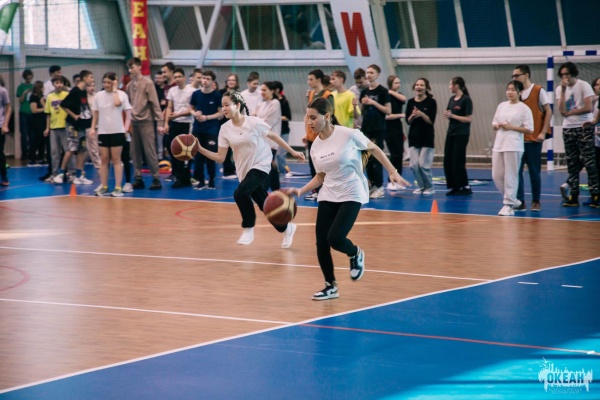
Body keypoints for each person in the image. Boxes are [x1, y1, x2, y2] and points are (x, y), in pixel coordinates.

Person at [285, 98, 410, 300]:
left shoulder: (348, 134)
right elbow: (321, 176)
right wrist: (300, 191)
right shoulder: (315, 146)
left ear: (327, 116)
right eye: (308, 117)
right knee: (321, 243)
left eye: (313, 117)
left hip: (352, 192)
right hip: (329, 193)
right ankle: (330, 286)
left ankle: (355, 253)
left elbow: (374, 148)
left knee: (335, 238)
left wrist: (392, 171)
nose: (309, 122)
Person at [196, 90, 305, 247]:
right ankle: (287, 228)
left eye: (227, 105)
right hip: (244, 171)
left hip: (261, 164)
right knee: (265, 205)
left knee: (239, 193)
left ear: (237, 105)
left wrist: (293, 152)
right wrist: (200, 149)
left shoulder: (253, 122)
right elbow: (220, 157)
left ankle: (248, 227)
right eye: (222, 105)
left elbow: (274, 136)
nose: (224, 108)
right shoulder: (224, 129)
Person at [556, 62, 598, 208]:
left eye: (567, 74)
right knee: (572, 163)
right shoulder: (559, 89)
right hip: (568, 128)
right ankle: (573, 195)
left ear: (573, 73)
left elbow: (588, 107)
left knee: (589, 162)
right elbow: (561, 111)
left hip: (583, 127)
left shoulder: (583, 85)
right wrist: (562, 90)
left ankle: (595, 195)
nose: (565, 77)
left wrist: (571, 112)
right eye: (562, 75)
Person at [511, 65, 552, 211]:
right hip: (518, 139)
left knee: (534, 172)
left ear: (526, 75)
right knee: (517, 172)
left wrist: (543, 132)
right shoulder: (516, 93)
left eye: (517, 75)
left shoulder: (538, 91)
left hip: (533, 139)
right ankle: (520, 201)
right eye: (513, 76)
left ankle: (536, 201)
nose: (514, 78)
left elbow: (548, 111)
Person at [492, 80, 534, 216]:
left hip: (514, 145)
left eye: (513, 90)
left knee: (511, 175)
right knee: (497, 176)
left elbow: (529, 129)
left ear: (520, 92)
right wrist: (496, 126)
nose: (510, 92)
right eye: (508, 89)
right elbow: (494, 122)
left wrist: (511, 127)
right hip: (499, 144)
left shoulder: (524, 108)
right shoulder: (502, 106)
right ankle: (514, 200)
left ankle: (508, 205)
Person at [90, 72, 132, 197]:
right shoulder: (98, 95)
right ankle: (104, 186)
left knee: (116, 159)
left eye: (109, 82)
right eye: (104, 82)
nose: (106, 85)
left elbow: (119, 105)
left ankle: (118, 187)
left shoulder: (121, 95)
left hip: (117, 131)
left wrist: (126, 129)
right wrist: (93, 128)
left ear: (114, 82)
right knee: (104, 159)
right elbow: (96, 113)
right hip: (103, 132)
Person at [125, 57, 165, 190]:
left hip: (146, 121)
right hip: (134, 122)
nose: (130, 70)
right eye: (129, 68)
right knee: (134, 152)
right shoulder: (129, 86)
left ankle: (156, 178)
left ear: (139, 67)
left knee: (150, 151)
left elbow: (155, 104)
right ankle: (138, 178)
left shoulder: (148, 83)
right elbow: (128, 105)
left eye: (132, 67)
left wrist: (160, 123)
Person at [53, 70, 94, 185]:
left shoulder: (84, 91)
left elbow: (84, 107)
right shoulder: (75, 91)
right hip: (72, 125)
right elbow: (64, 105)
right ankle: (61, 173)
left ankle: (79, 175)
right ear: (84, 78)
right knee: (72, 149)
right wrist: (74, 116)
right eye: (90, 77)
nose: (92, 79)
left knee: (82, 149)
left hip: (82, 125)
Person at [359, 64, 391, 199]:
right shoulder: (364, 91)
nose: (369, 75)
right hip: (366, 128)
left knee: (376, 157)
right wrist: (360, 104)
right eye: (367, 72)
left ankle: (379, 186)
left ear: (377, 75)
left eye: (372, 72)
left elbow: (388, 110)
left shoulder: (383, 91)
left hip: (378, 128)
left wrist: (373, 103)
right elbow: (361, 112)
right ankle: (371, 185)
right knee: (367, 158)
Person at [304, 69, 334, 200]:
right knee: (313, 164)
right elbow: (308, 115)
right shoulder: (311, 94)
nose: (308, 82)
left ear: (319, 80)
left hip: (323, 136)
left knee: (324, 165)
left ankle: (325, 190)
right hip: (312, 135)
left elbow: (331, 116)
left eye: (311, 79)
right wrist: (306, 133)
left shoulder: (328, 95)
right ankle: (316, 190)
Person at [189, 70, 222, 190]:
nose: (205, 80)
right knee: (198, 156)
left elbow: (220, 113)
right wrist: (195, 114)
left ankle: (212, 179)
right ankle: (201, 180)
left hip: (211, 130)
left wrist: (207, 117)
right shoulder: (195, 94)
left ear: (212, 81)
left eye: (208, 79)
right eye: (203, 78)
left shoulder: (217, 95)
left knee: (210, 156)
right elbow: (191, 108)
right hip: (198, 129)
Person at [164, 67, 195, 188]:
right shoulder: (172, 90)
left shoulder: (191, 91)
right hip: (174, 123)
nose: (177, 79)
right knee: (170, 146)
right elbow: (169, 107)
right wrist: (166, 123)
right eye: (175, 77)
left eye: (179, 77)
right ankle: (176, 173)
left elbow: (191, 109)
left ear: (184, 78)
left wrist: (178, 115)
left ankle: (184, 177)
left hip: (186, 123)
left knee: (184, 152)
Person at [406, 78, 437, 195]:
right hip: (413, 137)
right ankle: (421, 186)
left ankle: (430, 187)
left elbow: (431, 121)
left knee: (423, 165)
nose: (419, 87)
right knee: (414, 165)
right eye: (417, 85)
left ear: (426, 87)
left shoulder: (431, 102)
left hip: (427, 137)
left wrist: (422, 114)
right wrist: (413, 115)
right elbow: (408, 121)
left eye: (422, 85)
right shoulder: (410, 102)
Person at [443, 77, 474, 196]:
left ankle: (465, 186)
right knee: (448, 160)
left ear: (456, 85)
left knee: (458, 160)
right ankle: (454, 186)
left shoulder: (466, 100)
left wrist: (453, 116)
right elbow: (449, 112)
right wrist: (447, 114)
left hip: (461, 133)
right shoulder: (452, 99)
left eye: (451, 84)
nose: (449, 87)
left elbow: (468, 119)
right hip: (451, 132)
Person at [254, 81, 282, 190]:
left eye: (265, 90)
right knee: (271, 166)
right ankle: (277, 190)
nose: (262, 92)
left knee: (265, 167)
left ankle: (263, 192)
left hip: (270, 142)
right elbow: (253, 117)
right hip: (261, 140)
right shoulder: (261, 104)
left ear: (272, 91)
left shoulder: (275, 103)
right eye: (261, 90)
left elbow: (267, 123)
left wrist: (255, 124)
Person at [44, 76, 69, 182]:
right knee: (54, 153)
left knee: (68, 151)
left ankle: (70, 173)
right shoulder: (50, 97)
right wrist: (47, 128)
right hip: (54, 128)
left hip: (65, 127)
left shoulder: (67, 95)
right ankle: (54, 173)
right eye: (57, 83)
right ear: (53, 84)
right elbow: (48, 114)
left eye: (61, 83)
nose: (59, 85)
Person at [385, 74, 406, 191]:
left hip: (398, 127)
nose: (398, 85)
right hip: (389, 128)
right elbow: (387, 116)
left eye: (399, 83)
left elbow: (404, 99)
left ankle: (399, 180)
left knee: (399, 155)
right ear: (390, 84)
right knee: (394, 155)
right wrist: (401, 115)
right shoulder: (386, 97)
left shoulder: (397, 95)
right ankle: (391, 181)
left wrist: (391, 92)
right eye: (396, 83)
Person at [218, 73, 240, 180]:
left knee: (235, 147)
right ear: (226, 82)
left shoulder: (238, 95)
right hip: (223, 123)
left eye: (233, 80)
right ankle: (227, 171)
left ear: (236, 82)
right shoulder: (220, 93)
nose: (231, 82)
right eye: (229, 80)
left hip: (234, 123)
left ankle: (232, 167)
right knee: (225, 147)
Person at [582, 77, 600, 199]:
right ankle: (596, 195)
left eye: (598, 85)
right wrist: (589, 124)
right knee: (596, 167)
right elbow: (596, 119)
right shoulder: (597, 102)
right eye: (595, 84)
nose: (595, 87)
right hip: (597, 141)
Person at [273, 81, 291, 177]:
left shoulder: (284, 101)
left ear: (277, 89)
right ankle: (276, 172)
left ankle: (283, 171)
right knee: (274, 154)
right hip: (274, 131)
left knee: (280, 153)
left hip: (283, 131)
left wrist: (277, 117)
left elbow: (288, 117)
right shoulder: (272, 101)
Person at [16, 69, 34, 162]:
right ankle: (24, 154)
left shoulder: (34, 86)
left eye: (30, 77)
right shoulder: (21, 87)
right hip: (23, 112)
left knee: (32, 134)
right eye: (27, 78)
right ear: (25, 78)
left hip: (32, 112)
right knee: (24, 134)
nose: (29, 79)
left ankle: (32, 153)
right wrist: (24, 93)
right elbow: (21, 101)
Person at [29, 81, 47, 167]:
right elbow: (34, 110)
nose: (44, 89)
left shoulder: (42, 97)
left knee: (42, 140)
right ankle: (31, 158)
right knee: (36, 140)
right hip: (36, 121)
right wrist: (44, 109)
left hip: (43, 121)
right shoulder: (33, 97)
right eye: (42, 87)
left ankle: (41, 157)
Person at [0, 74, 12, 186]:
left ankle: (4, 176)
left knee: (0, 153)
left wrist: (5, 124)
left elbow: (8, 108)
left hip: (0, 126)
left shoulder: (2, 91)